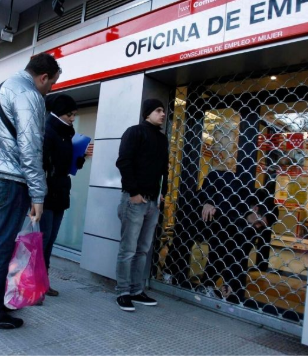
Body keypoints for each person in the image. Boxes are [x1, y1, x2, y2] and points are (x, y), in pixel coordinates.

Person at [0, 53, 60, 329]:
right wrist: (38, 194)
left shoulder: (1, 88)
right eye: (51, 84)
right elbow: (30, 148)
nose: (49, 91)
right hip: (11, 181)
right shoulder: (30, 94)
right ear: (43, 77)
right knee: (1, 250)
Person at [166, 126, 276, 303]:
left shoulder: (250, 231)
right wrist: (209, 200)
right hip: (196, 213)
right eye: (259, 222)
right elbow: (214, 176)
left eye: (261, 227)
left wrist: (230, 283)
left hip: (218, 229)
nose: (258, 227)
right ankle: (168, 273)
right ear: (256, 210)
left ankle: (206, 286)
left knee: (219, 253)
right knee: (182, 241)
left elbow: (239, 258)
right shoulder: (242, 190)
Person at [114, 99, 169, 312]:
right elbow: (123, 162)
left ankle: (137, 291)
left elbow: (164, 168)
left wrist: (161, 193)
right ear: (147, 113)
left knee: (143, 250)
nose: (162, 114)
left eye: (163, 110)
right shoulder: (135, 132)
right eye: (158, 110)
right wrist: (134, 193)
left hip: (152, 202)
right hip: (134, 200)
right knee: (128, 249)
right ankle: (123, 292)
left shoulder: (162, 138)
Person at [40, 94, 92, 297]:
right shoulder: (48, 131)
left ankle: (43, 282)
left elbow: (68, 165)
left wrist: (82, 156)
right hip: (45, 193)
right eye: (70, 114)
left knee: (50, 240)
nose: (73, 118)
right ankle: (35, 283)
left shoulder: (66, 134)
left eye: (74, 115)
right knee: (42, 240)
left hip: (60, 190)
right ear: (59, 113)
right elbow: (41, 165)